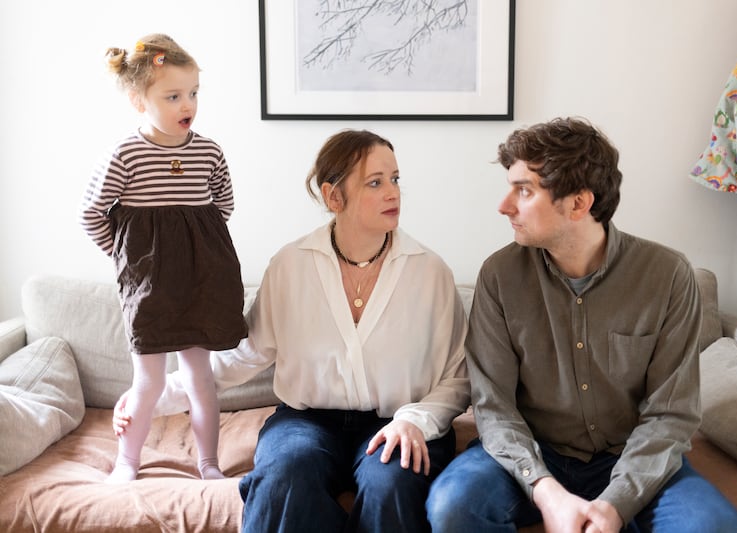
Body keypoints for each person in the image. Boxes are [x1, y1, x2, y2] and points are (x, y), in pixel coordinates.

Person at [114, 129, 470, 532]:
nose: (393, 193)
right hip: (306, 421)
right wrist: (151, 399)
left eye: (395, 179)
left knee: (390, 483)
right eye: (375, 182)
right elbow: (248, 354)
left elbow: (457, 377)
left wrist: (415, 422)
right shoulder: (291, 265)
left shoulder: (430, 272)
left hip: (399, 422)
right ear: (334, 197)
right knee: (284, 475)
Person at [426, 117, 737, 533]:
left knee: (714, 526)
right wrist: (546, 490)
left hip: (630, 455)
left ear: (578, 203)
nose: (504, 205)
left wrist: (615, 505)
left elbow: (670, 414)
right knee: (453, 505)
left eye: (524, 190)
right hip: (531, 454)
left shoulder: (667, 275)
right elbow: (494, 408)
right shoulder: (500, 276)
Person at [79, 33, 247, 483]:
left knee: (200, 376)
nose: (186, 104)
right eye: (172, 95)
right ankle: (127, 461)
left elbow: (223, 205)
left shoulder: (208, 151)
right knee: (149, 380)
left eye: (192, 93)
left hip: (202, 277)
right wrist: (123, 256)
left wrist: (197, 244)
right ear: (139, 100)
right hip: (150, 281)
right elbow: (92, 212)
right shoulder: (125, 154)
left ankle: (208, 463)